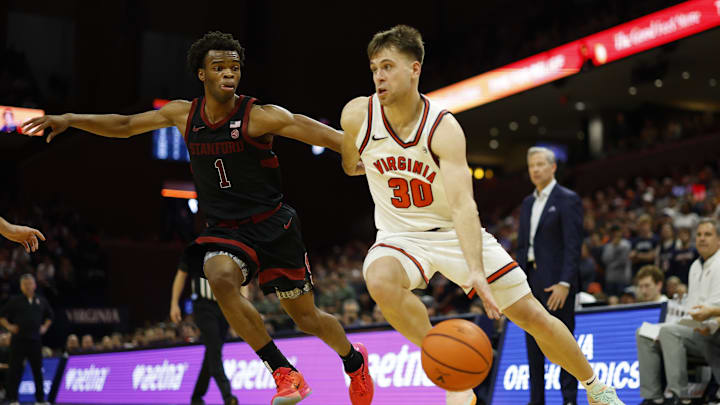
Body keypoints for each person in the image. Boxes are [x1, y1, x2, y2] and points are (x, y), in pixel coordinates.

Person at [22, 31, 372, 405]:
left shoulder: (258, 116)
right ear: (201, 74)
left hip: (274, 225)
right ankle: (284, 373)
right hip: (226, 229)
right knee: (218, 276)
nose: (228, 74)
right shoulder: (182, 114)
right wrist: (71, 119)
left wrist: (358, 153)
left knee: (306, 318)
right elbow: (124, 126)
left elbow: (318, 131)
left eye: (234, 67)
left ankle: (354, 362)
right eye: (218, 67)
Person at [340, 25, 624, 405]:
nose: (379, 76)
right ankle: (453, 376)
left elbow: (463, 205)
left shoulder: (442, 128)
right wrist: (358, 162)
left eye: (388, 66)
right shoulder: (358, 115)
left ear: (415, 69)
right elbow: (348, 163)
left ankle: (596, 386)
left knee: (532, 317)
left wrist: (474, 268)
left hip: (454, 232)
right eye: (374, 68)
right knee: (379, 279)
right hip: (400, 235)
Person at [517, 146, 583, 405]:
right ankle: (537, 400)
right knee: (533, 346)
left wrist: (565, 283)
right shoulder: (527, 203)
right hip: (530, 285)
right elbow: (523, 246)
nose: (535, 169)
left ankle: (568, 400)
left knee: (563, 343)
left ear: (553, 167)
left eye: (540, 164)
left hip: (557, 285)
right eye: (531, 165)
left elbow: (573, 244)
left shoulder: (568, 199)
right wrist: (518, 285)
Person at [635, 218, 720, 405]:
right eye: (698, 235)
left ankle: (680, 396)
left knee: (669, 332)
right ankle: (653, 397)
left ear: (719, 240)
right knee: (644, 333)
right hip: (696, 328)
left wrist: (709, 321)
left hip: (714, 332)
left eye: (708, 234)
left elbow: (714, 311)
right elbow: (691, 309)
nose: (702, 239)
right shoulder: (695, 267)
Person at [170, 249, 238, 405]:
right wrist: (174, 304)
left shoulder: (229, 249)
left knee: (212, 353)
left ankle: (196, 397)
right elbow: (181, 275)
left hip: (225, 306)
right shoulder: (197, 248)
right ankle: (228, 397)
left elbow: (238, 278)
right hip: (204, 306)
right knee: (214, 349)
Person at [0, 274, 53, 405]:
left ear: (35, 285)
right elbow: (1, 315)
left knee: (37, 370)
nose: (28, 286)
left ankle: (40, 400)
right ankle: (13, 399)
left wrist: (45, 327)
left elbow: (50, 315)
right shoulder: (15, 301)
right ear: (21, 287)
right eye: (25, 284)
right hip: (18, 341)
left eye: (30, 283)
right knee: (14, 370)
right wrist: (9, 327)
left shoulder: (41, 301)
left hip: (35, 341)